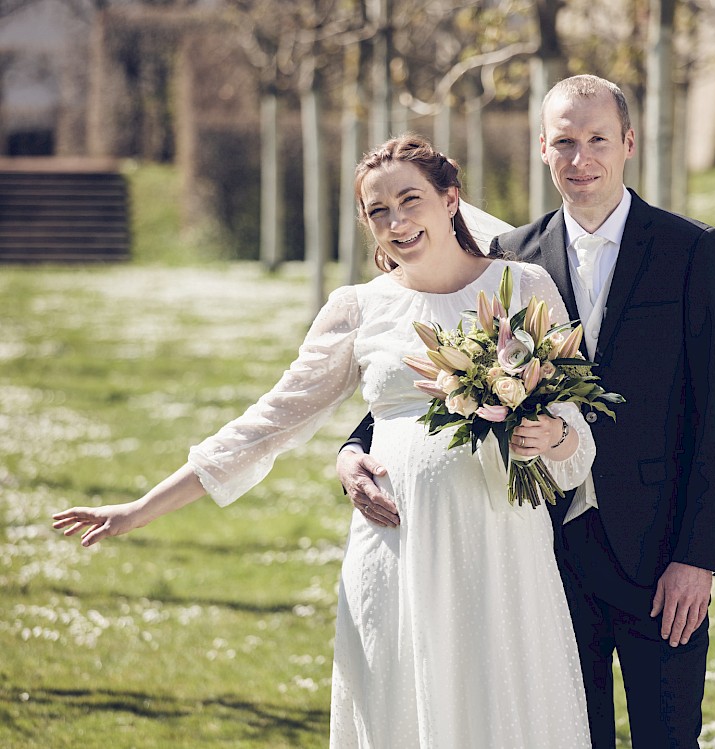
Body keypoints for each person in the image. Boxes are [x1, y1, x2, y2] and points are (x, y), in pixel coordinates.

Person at [53, 135, 597, 748]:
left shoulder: (523, 288)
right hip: (398, 546)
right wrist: (139, 509)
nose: (396, 222)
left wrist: (550, 435)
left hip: (500, 544)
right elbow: (269, 422)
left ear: (451, 199)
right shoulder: (360, 308)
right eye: (377, 210)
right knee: (400, 707)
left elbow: (577, 443)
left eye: (409, 200)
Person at [339, 74, 715, 749]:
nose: (580, 159)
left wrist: (698, 556)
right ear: (542, 148)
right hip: (542, 554)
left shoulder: (691, 250)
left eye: (596, 140)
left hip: (659, 555)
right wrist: (350, 450)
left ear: (628, 143)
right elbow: (431, 375)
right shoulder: (508, 261)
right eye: (564, 142)